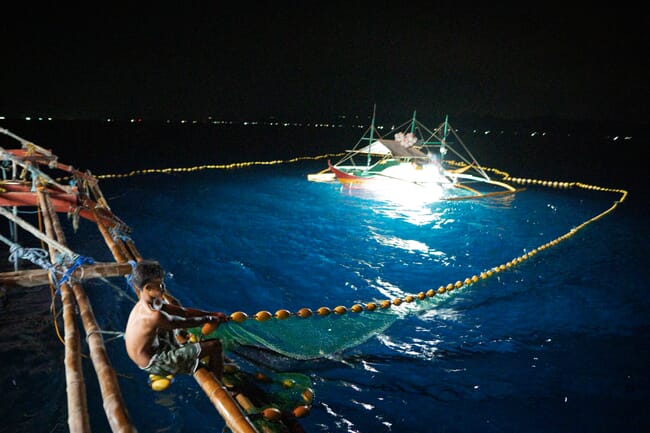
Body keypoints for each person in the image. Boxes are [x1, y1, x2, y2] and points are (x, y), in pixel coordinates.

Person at [124, 260, 227, 379]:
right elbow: (185, 322)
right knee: (216, 345)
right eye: (160, 284)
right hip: (155, 363)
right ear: (148, 288)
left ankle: (187, 348)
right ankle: (220, 384)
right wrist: (210, 319)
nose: (164, 287)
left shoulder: (144, 304)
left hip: (150, 348)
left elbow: (183, 312)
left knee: (175, 311)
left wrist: (212, 314)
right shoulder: (154, 315)